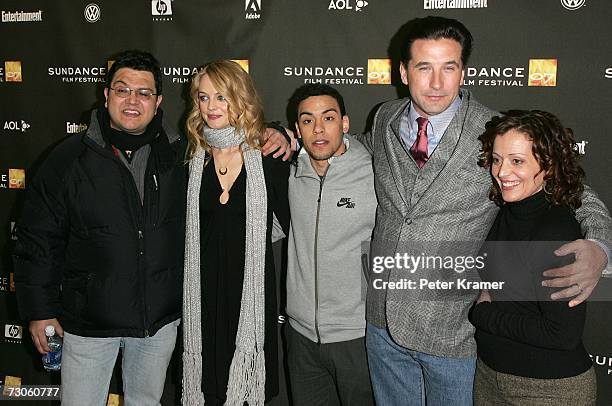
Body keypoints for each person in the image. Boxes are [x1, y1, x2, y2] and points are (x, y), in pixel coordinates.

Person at [353, 16, 612, 405]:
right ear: (404, 72)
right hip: (381, 323)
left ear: (464, 72)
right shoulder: (384, 117)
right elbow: (357, 148)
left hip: (453, 332)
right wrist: (288, 137)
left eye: (449, 67)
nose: (437, 83)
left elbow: (576, 190)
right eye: (424, 67)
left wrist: (600, 245)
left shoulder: (492, 131)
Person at [13, 50, 186, 405]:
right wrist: (39, 311)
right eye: (123, 90)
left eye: (144, 92)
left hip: (156, 324)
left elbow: (234, 145)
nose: (133, 100)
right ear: (106, 95)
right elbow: (37, 240)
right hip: (89, 322)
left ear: (158, 101)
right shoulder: (67, 159)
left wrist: (275, 134)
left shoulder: (181, 156)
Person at [181, 60, 290, 406]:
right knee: (208, 390)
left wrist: (282, 132)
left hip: (252, 296)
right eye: (203, 97)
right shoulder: (186, 159)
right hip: (201, 295)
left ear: (240, 99)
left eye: (222, 97)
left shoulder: (270, 157)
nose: (211, 107)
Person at [469, 110, 597, 405]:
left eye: (517, 161)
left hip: (549, 389)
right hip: (490, 376)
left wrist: (483, 314)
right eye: (497, 159)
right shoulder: (508, 209)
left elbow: (561, 334)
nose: (502, 172)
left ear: (548, 165)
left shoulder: (555, 230)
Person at [284, 84, 376, 406]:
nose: (319, 129)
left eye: (328, 118)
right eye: (308, 121)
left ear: (345, 124)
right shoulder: (289, 173)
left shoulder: (374, 173)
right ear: (297, 129)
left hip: (357, 335)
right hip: (300, 336)